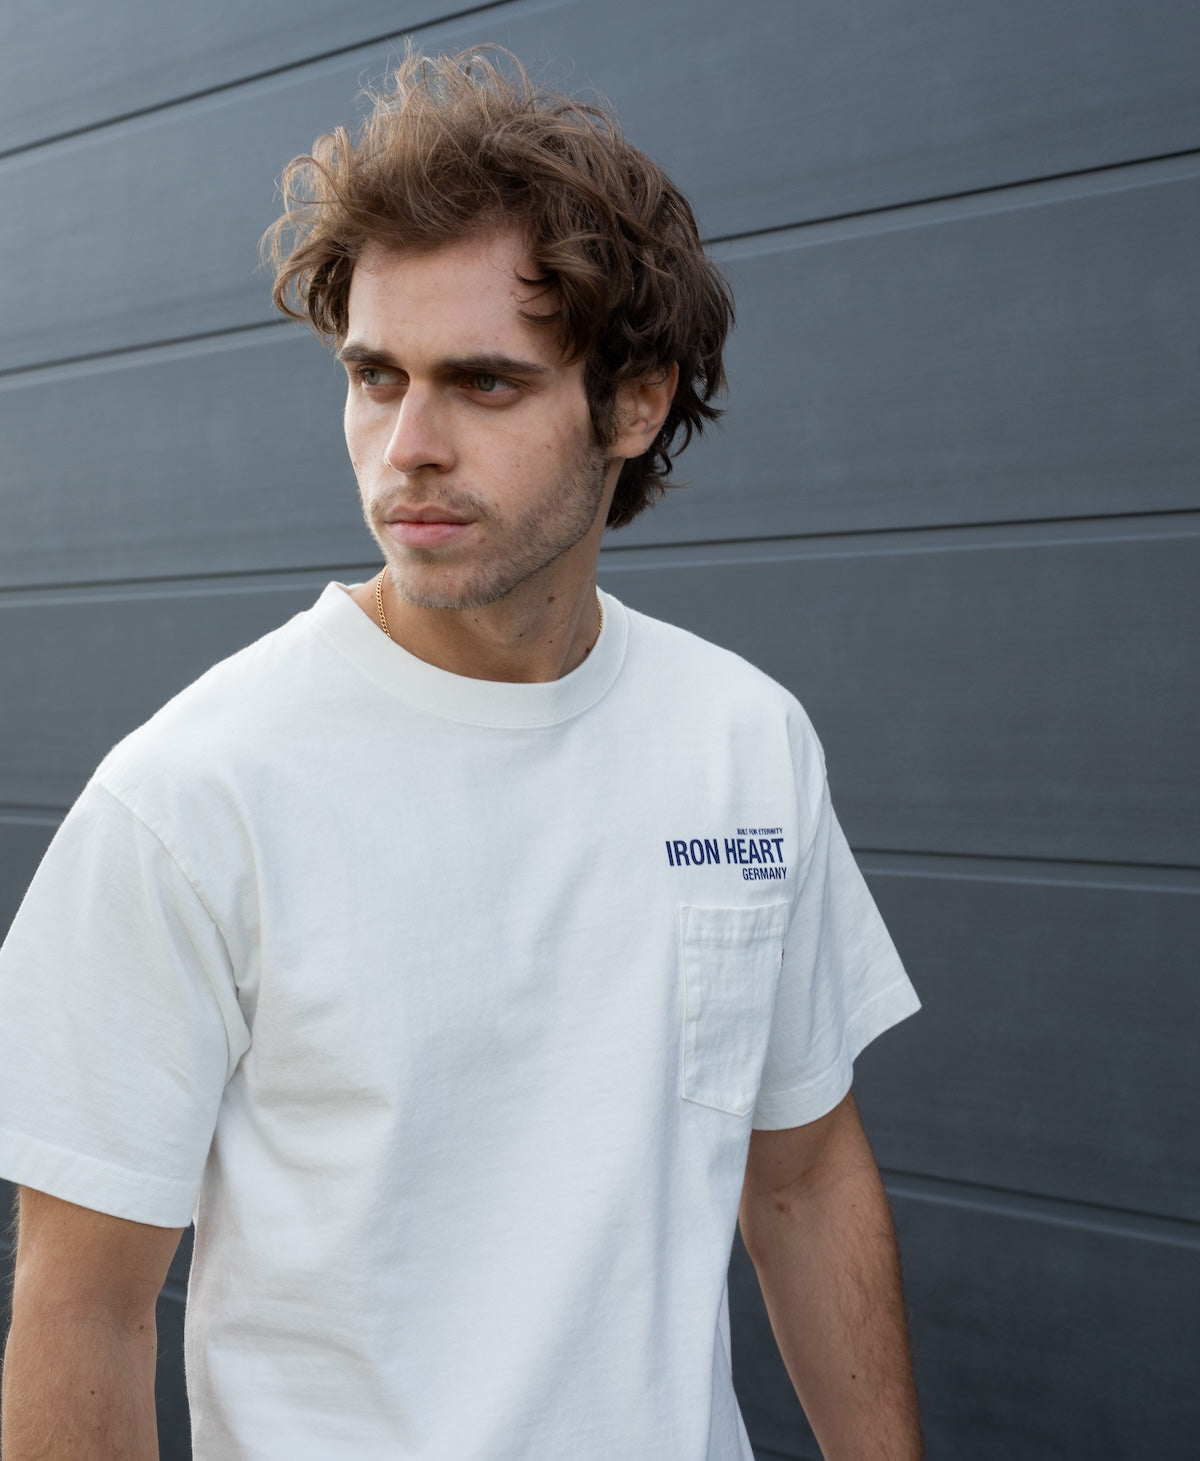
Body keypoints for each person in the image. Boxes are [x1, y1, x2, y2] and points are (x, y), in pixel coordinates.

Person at [0, 48, 923, 1461]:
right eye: (376, 377)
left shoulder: (744, 741)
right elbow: (83, 1311)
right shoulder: (191, 797)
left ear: (635, 403)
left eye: (483, 383)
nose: (407, 447)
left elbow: (802, 1178)